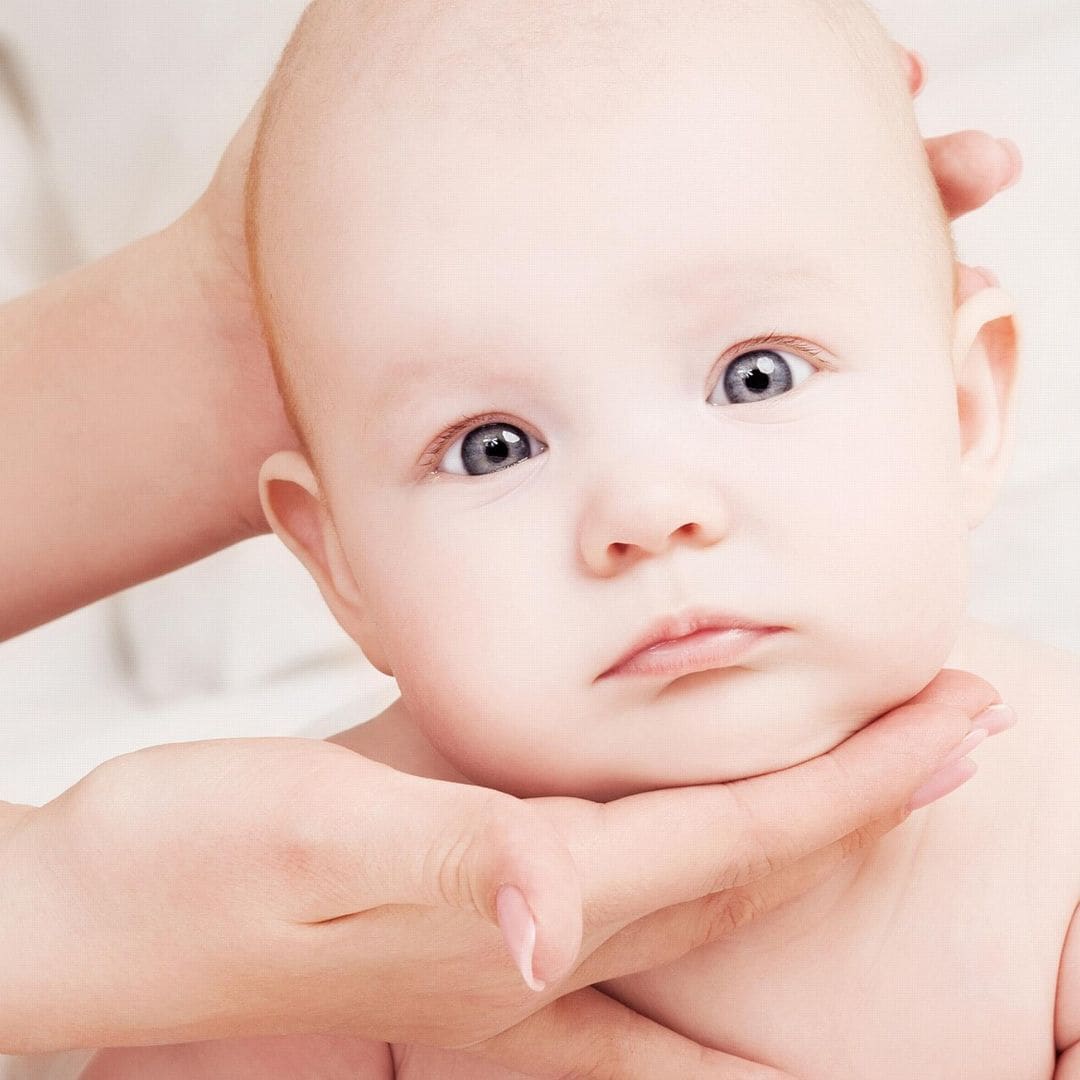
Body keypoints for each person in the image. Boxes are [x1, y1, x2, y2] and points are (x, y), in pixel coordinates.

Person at [0, 3, 1023, 1077]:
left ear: (967, 410)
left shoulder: (1051, 808)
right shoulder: (313, 915)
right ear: (337, 565)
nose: (645, 509)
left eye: (754, 375)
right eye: (494, 447)